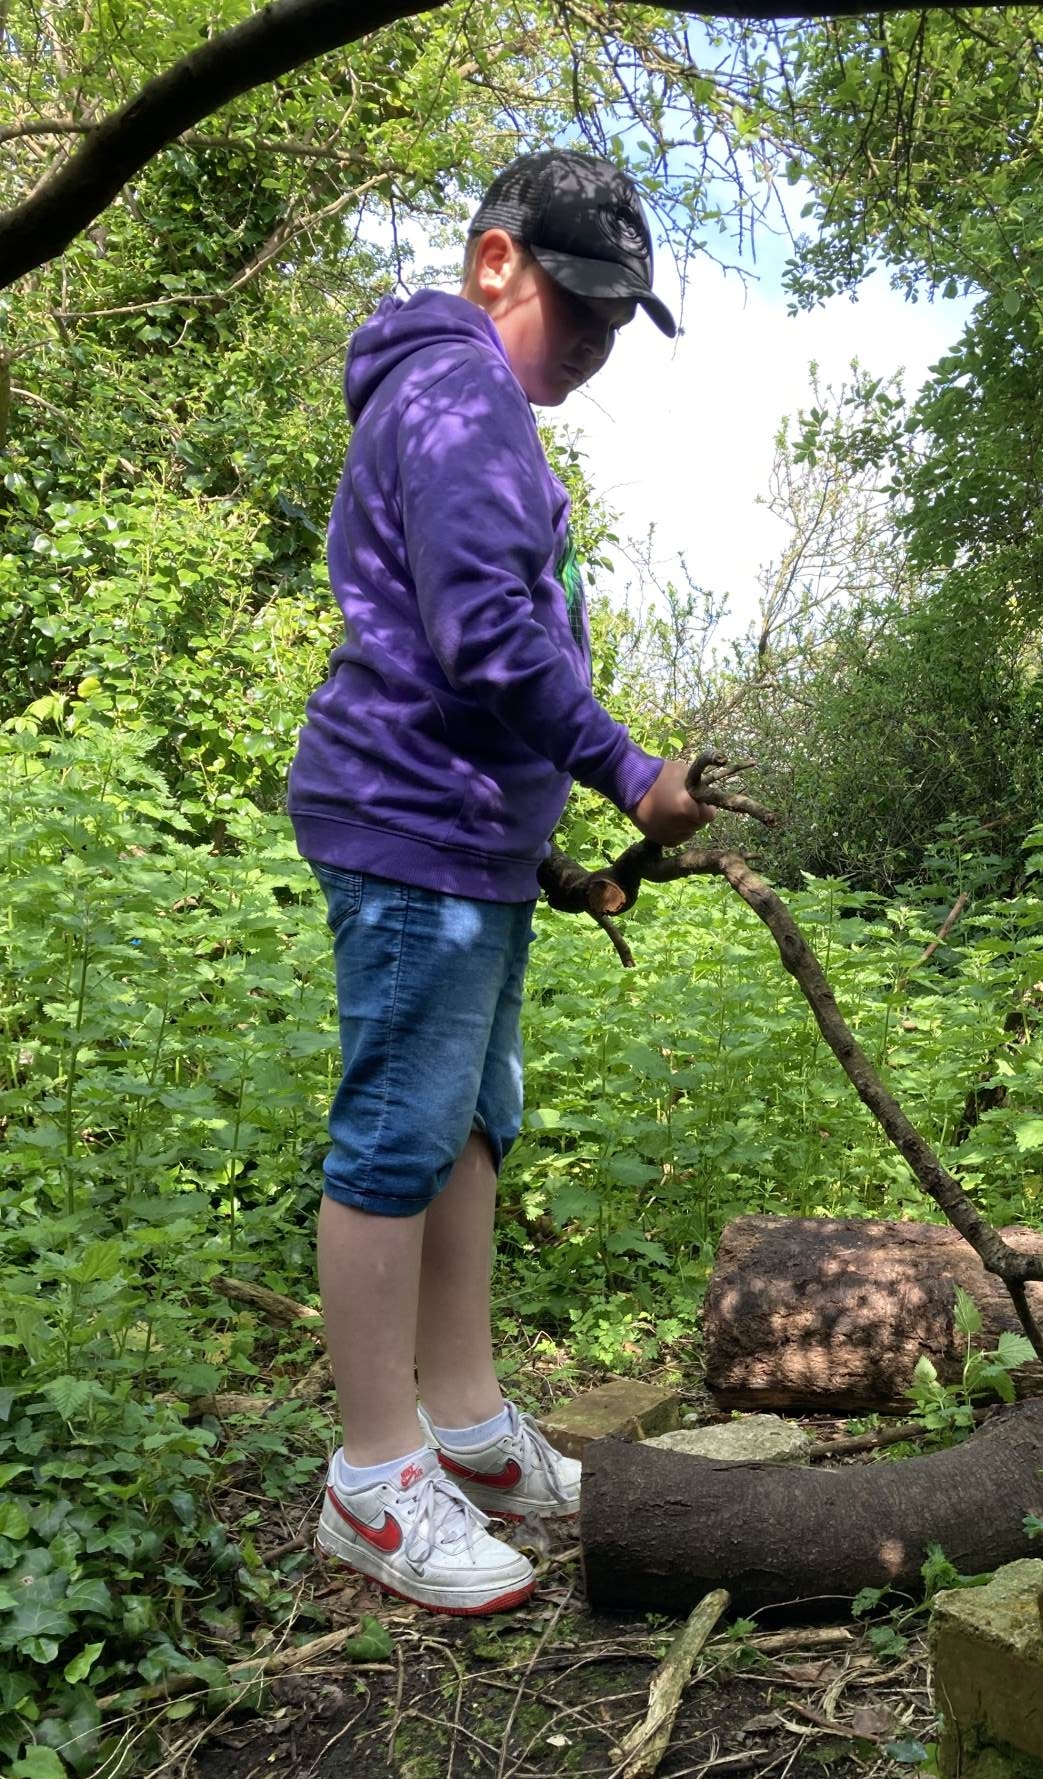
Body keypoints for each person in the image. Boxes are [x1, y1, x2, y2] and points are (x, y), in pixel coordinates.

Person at [286, 150, 713, 1616]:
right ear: (495, 264)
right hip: (410, 830)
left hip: (474, 848)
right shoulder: (460, 394)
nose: (594, 342)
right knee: (397, 1135)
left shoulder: (482, 411)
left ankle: (464, 1422)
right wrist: (629, 771)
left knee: (470, 1124)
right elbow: (479, 637)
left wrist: (548, 857)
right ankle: (372, 1474)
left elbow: (463, 640)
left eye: (617, 321)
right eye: (576, 306)